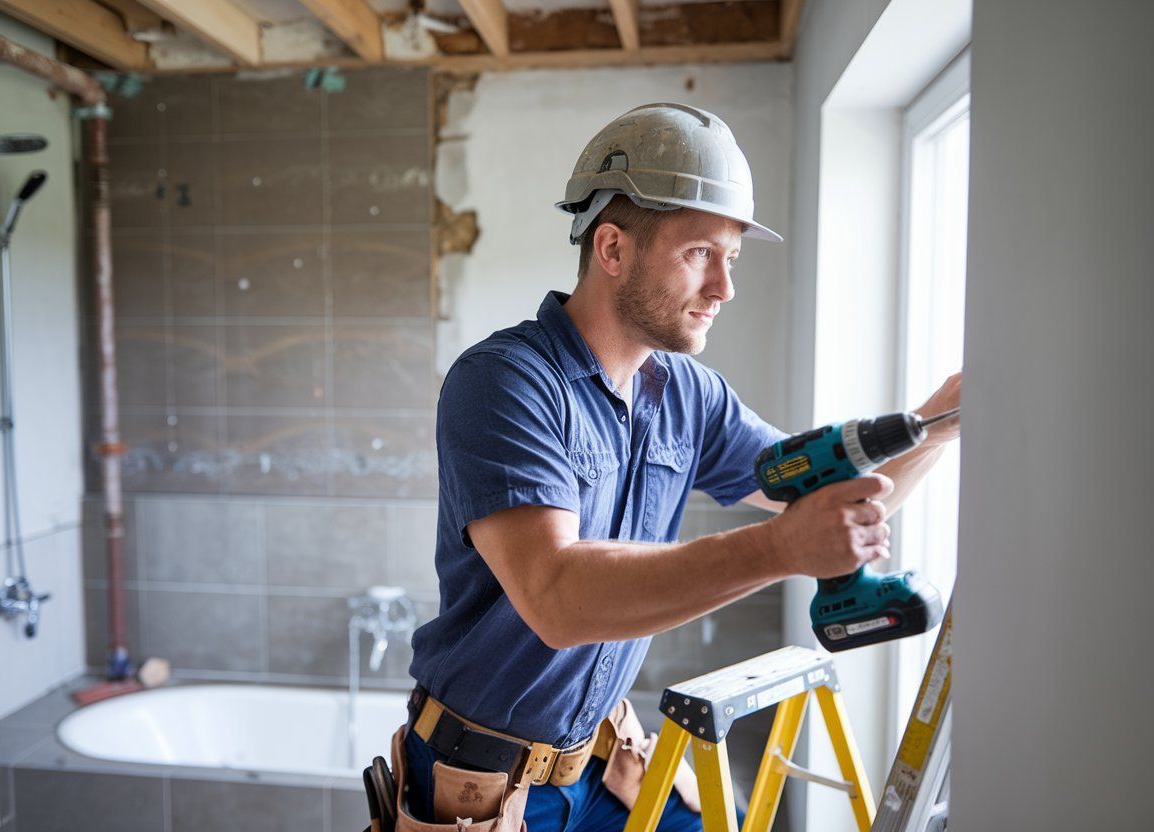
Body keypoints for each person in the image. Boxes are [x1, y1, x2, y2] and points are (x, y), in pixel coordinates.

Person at [397, 103, 961, 831]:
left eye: (732, 258)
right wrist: (784, 549)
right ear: (611, 248)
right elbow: (558, 599)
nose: (724, 288)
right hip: (478, 785)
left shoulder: (687, 393)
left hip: (600, 760)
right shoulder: (504, 383)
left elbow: (837, 505)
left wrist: (941, 423)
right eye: (700, 254)